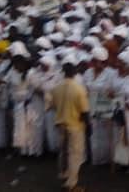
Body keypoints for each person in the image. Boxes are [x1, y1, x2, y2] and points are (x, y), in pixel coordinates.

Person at [49, 54, 89, 192]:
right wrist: (88, 126)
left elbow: (53, 105)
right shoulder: (79, 89)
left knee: (63, 152)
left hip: (61, 124)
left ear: (63, 72)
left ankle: (63, 176)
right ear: (75, 72)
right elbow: (84, 111)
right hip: (75, 125)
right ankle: (71, 184)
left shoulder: (56, 88)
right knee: (75, 154)